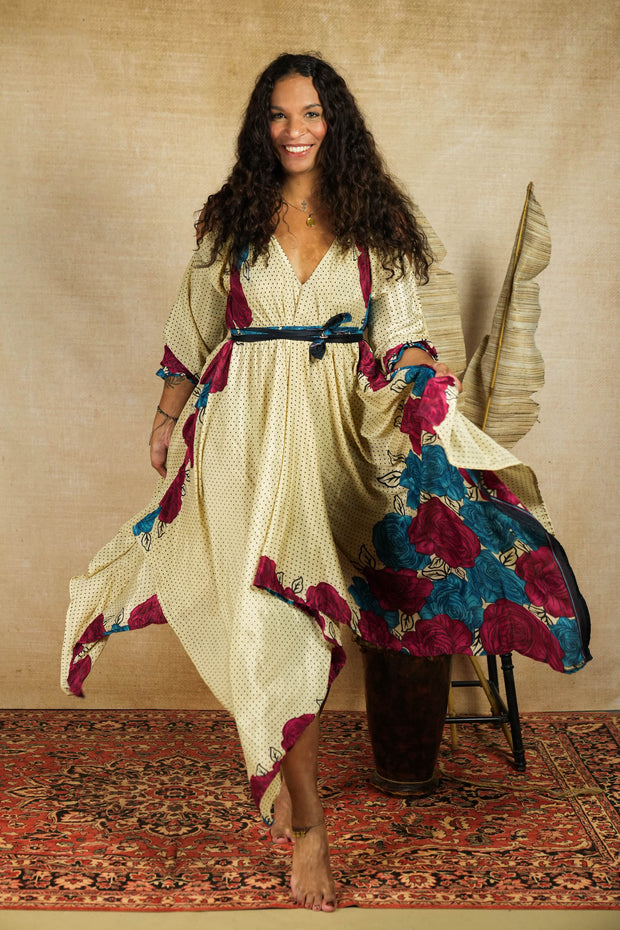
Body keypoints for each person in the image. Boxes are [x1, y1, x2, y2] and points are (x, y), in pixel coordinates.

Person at [61, 53, 590, 912]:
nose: (295, 129)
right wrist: (165, 417)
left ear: (334, 122)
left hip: (338, 435)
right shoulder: (230, 219)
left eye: (310, 113)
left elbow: (401, 333)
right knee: (267, 622)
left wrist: (423, 381)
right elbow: (193, 328)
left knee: (319, 611)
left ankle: (290, 789)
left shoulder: (378, 220)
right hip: (243, 433)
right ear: (260, 126)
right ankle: (309, 827)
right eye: (279, 114)